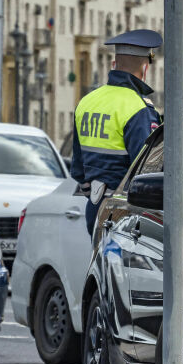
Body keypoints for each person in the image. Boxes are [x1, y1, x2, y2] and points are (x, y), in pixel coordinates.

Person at [71, 29, 163, 235]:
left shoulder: (87, 102)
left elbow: (77, 169)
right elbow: (147, 171)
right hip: (125, 214)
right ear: (145, 68)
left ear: (114, 65)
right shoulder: (138, 109)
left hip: (94, 209)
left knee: (100, 266)